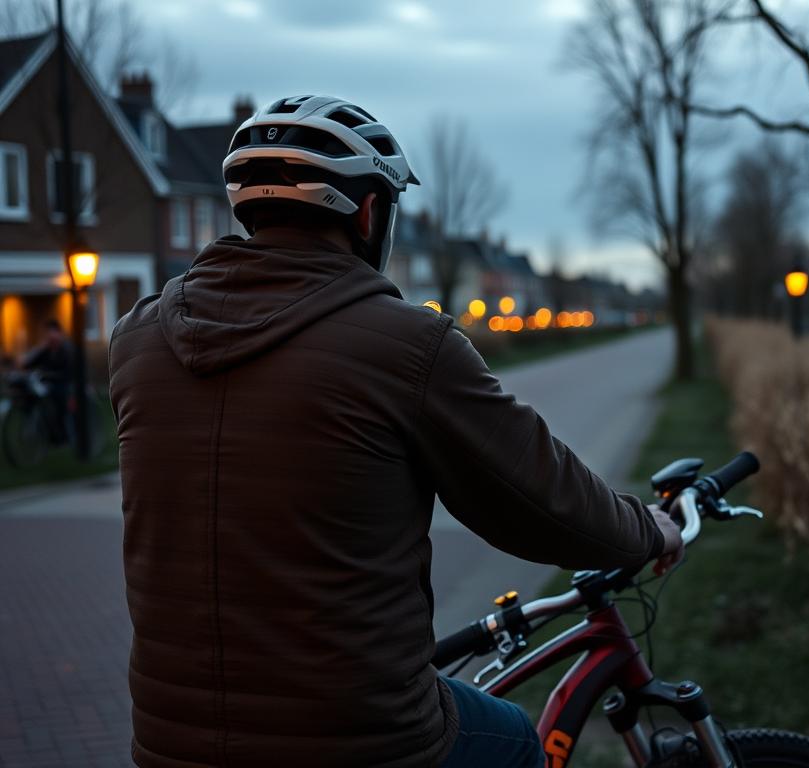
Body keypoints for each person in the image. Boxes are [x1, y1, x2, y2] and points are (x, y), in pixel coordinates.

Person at [108, 95, 683, 768]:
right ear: (369, 213)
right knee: (513, 738)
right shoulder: (407, 345)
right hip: (357, 740)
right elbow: (537, 495)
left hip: (168, 742)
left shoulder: (136, 341)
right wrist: (647, 530)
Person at [21, 319, 72, 445]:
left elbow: (69, 371)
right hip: (47, 384)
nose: (49, 336)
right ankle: (39, 425)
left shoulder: (66, 349)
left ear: (59, 333)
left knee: (58, 400)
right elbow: (28, 364)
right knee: (32, 395)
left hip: (62, 384)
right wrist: (39, 349)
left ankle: (61, 434)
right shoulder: (46, 349)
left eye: (52, 332)